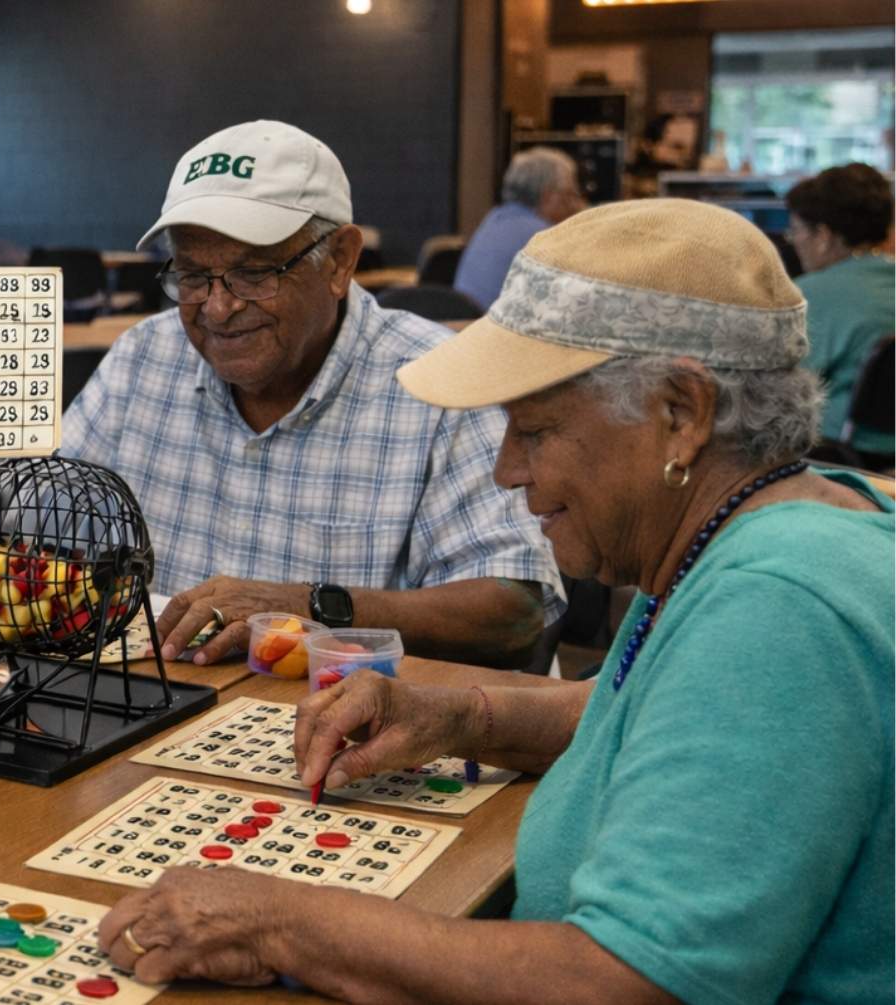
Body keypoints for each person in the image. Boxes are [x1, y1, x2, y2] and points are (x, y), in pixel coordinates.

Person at [96, 199, 893, 1003]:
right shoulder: (790, 516)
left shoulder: (775, 608)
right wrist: (460, 717)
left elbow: (626, 984)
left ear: (681, 414)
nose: (507, 470)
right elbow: (657, 712)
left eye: (536, 431)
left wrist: (280, 921)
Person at [60, 121, 561, 670]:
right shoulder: (142, 361)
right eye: (193, 276)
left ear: (340, 262)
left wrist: (307, 609)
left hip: (343, 730)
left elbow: (515, 611)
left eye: (254, 274)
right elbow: (42, 531)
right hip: (149, 712)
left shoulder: (436, 385)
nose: (218, 308)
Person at [785, 163, 894, 463]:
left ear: (822, 235)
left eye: (795, 230)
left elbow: (781, 387)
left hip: (841, 457)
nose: (793, 241)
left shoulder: (809, 294)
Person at [453, 147, 587, 309]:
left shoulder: (494, 218)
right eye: (570, 195)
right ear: (549, 197)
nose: (575, 205)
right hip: (495, 329)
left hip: (467, 326)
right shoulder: (542, 236)